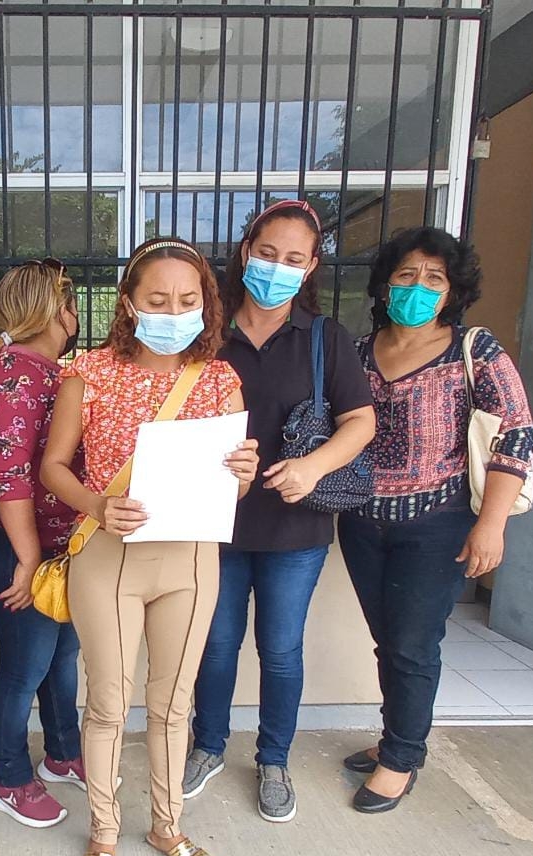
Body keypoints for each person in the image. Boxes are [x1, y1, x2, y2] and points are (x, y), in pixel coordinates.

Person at [41, 237, 260, 856]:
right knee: (107, 703)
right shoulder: (88, 371)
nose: (174, 311)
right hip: (109, 559)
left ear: (206, 304)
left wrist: (244, 477)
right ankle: (103, 835)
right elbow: (52, 468)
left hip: (191, 559)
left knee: (172, 705)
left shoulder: (219, 379)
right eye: (158, 299)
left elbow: (231, 486)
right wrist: (98, 506)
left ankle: (168, 827)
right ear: (129, 304)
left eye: (188, 300)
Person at [183, 200, 375, 822]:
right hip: (215, 521)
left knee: (281, 647)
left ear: (311, 266)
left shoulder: (326, 339)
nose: (277, 267)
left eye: (294, 259)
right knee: (214, 644)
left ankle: (273, 759)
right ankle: (207, 746)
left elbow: (361, 421)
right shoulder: (206, 336)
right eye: (268, 254)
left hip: (297, 527)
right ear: (246, 253)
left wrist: (314, 466)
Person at [338, 227, 533, 812]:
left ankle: (402, 759)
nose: (418, 287)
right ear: (384, 285)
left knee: (413, 643)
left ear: (452, 290)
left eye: (433, 278)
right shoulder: (357, 352)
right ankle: (393, 739)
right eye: (406, 275)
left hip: (437, 523)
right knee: (387, 640)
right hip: (363, 522)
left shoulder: (475, 351)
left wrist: (491, 523)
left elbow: (515, 436)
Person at [0, 259, 87, 828]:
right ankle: (10, 777)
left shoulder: (49, 373)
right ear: (53, 310)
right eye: (70, 303)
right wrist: (27, 558)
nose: (75, 316)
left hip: (60, 550)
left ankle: (63, 753)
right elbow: (8, 476)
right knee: (24, 668)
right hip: (24, 552)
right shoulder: (13, 373)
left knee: (63, 658)